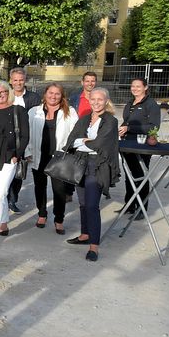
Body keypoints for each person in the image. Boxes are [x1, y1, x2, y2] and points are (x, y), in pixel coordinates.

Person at [64, 88, 120, 262]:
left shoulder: (111, 121)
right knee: (82, 203)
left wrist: (84, 142)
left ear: (106, 101)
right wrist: (84, 142)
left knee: (92, 205)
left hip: (98, 166)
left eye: (100, 99)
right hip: (80, 163)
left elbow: (100, 144)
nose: (96, 102)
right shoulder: (85, 119)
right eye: (93, 99)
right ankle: (84, 234)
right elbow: (71, 140)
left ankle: (94, 246)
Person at [0, 82, 29, 250]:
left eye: (3, 92)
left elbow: (24, 136)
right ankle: (3, 224)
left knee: (0, 195)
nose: (0, 95)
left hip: (9, 158)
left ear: (8, 93)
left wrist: (17, 154)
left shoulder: (19, 110)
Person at [28, 83, 78, 235]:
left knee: (59, 190)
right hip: (39, 155)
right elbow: (28, 133)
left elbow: (75, 133)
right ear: (45, 94)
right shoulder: (34, 112)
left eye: (57, 94)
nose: (53, 96)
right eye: (51, 93)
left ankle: (59, 219)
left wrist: (70, 150)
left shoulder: (69, 112)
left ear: (62, 96)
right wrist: (27, 151)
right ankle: (42, 214)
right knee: (39, 186)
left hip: (59, 157)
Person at [118, 77, 161, 217]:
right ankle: (130, 205)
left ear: (145, 87)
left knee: (141, 176)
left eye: (138, 86)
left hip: (142, 145)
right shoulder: (130, 103)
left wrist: (129, 127)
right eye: (133, 86)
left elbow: (154, 126)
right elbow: (126, 121)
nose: (135, 88)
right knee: (129, 176)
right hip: (127, 143)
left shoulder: (151, 104)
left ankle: (142, 208)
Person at [6, 67, 41, 213]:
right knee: (5, 171)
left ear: (25, 80)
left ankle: (13, 200)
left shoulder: (33, 98)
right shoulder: (6, 95)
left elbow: (36, 119)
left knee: (19, 173)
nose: (18, 83)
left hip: (25, 139)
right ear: (11, 81)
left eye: (21, 80)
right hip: (7, 139)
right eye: (15, 80)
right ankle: (3, 198)